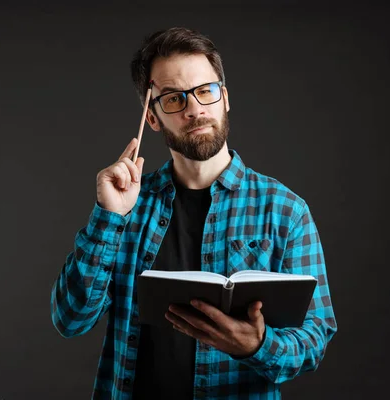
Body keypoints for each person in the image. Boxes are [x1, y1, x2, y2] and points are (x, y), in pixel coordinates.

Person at [50, 26, 337, 400]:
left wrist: (257, 345)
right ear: (152, 118)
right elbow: (70, 320)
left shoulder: (285, 210)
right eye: (173, 98)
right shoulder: (126, 207)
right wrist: (109, 217)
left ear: (225, 98)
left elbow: (314, 340)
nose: (195, 109)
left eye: (206, 91)